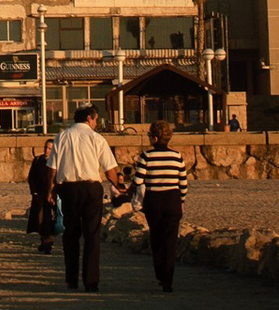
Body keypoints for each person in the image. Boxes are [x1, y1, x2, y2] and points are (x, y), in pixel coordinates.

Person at [46, 104, 121, 293]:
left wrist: (50, 191)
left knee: (71, 234)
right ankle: (91, 281)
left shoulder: (62, 137)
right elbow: (109, 170)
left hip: (68, 189)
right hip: (91, 189)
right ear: (89, 118)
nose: (96, 123)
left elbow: (52, 168)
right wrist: (119, 186)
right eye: (96, 119)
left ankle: (71, 279)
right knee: (92, 234)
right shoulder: (96, 138)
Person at [134, 119, 187, 292]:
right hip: (173, 199)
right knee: (170, 241)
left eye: (150, 135)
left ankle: (160, 274)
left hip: (154, 200)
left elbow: (138, 181)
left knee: (156, 238)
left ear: (155, 138)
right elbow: (183, 184)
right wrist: (182, 201)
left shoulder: (146, 156)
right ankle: (168, 278)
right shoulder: (177, 156)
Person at [25, 138, 58, 253]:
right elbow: (31, 177)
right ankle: (44, 240)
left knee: (50, 219)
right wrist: (34, 192)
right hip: (39, 195)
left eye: (50, 148)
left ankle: (48, 242)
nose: (47, 150)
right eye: (46, 147)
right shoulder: (38, 160)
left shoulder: (57, 161)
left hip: (52, 195)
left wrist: (54, 194)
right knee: (39, 219)